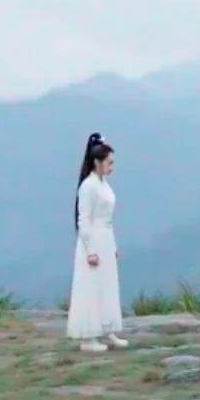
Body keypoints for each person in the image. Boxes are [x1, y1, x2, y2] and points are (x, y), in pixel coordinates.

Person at [66, 132, 129, 353]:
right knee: (91, 286)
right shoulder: (89, 186)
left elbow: (107, 219)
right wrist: (90, 250)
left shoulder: (103, 184)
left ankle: (108, 328)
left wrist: (112, 246)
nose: (111, 167)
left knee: (107, 285)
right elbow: (84, 219)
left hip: (105, 238)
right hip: (92, 241)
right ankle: (89, 337)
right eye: (108, 162)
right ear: (97, 162)